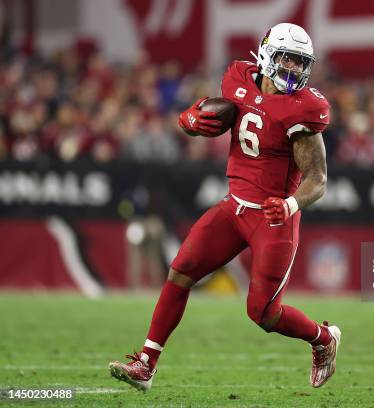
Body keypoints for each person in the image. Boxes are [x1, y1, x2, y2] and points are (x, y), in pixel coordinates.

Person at [108, 23, 341, 391]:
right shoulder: (238, 78)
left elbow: (319, 179)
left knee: (263, 313)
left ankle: (323, 338)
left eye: (300, 63)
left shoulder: (304, 109)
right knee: (181, 271)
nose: (293, 70)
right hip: (234, 208)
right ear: (266, 54)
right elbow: (211, 118)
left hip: (272, 218)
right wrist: (188, 121)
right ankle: (146, 364)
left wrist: (290, 204)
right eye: (286, 59)